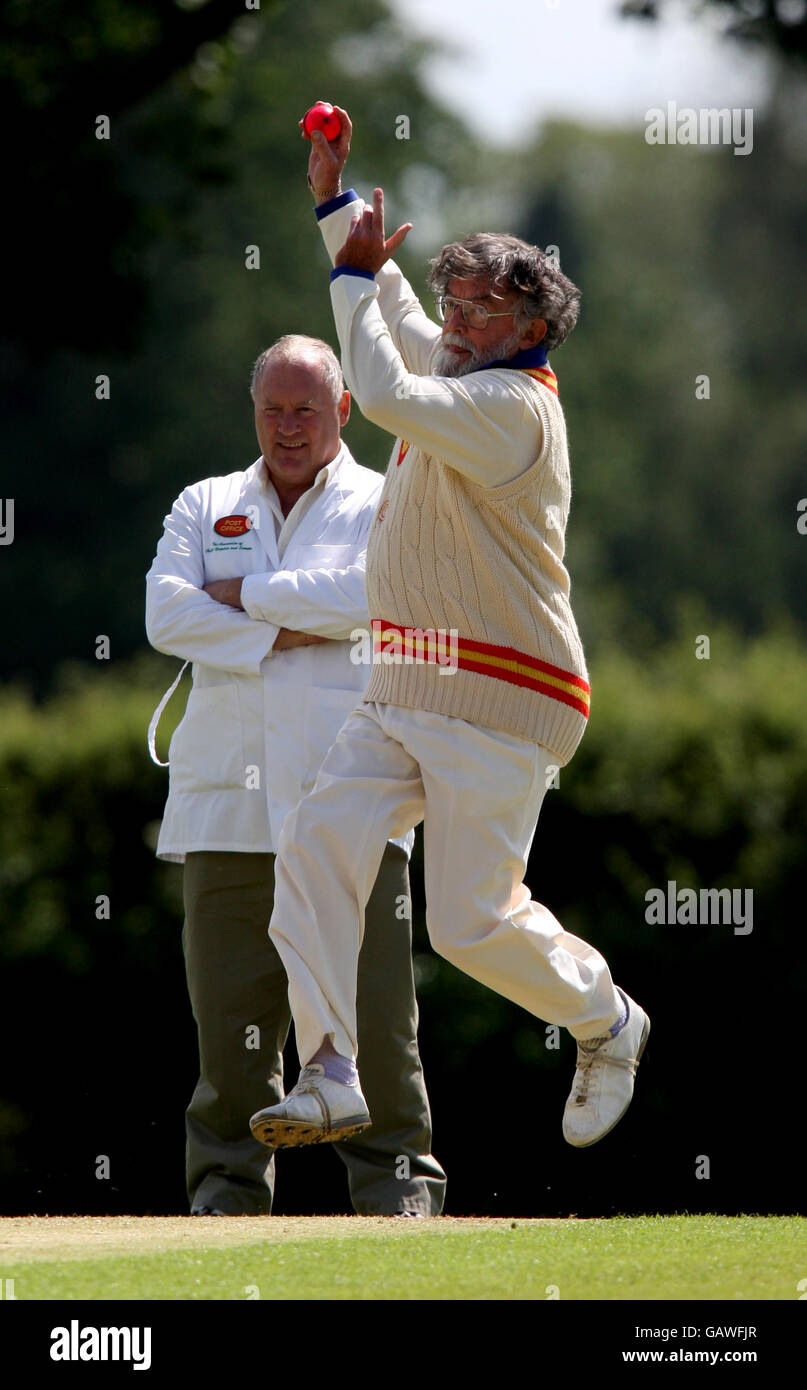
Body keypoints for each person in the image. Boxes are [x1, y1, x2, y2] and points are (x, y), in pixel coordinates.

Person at [249, 108, 650, 1155]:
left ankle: (605, 1016)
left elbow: (376, 385)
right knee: (317, 840)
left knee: (466, 926)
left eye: (483, 306)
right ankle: (330, 1069)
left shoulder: (513, 409)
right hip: (404, 687)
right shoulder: (465, 371)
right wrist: (335, 203)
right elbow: (384, 304)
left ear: (533, 326)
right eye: (456, 298)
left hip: (507, 696)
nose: (460, 318)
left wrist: (360, 285)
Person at [145, 334, 446, 1217]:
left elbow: (383, 598)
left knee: (377, 1026)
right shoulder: (206, 501)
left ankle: (398, 1189)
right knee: (231, 1038)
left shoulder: (386, 501)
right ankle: (225, 1197)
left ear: (343, 409)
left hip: (351, 797)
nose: (287, 427)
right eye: (271, 409)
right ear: (253, 412)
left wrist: (246, 598)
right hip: (224, 809)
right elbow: (166, 612)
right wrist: (298, 622)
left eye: (305, 409)